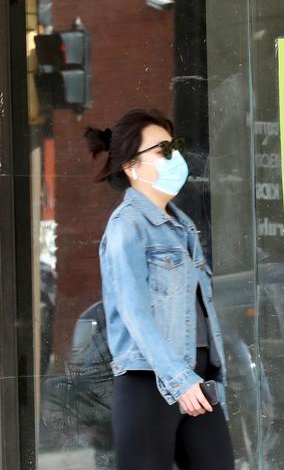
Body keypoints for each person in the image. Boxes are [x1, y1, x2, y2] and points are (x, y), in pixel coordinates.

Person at [86, 109, 235, 470]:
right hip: (148, 384)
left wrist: (206, 374)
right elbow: (134, 313)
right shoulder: (128, 226)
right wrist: (180, 381)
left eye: (175, 147)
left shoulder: (181, 226)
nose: (174, 158)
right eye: (161, 151)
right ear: (132, 167)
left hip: (196, 378)